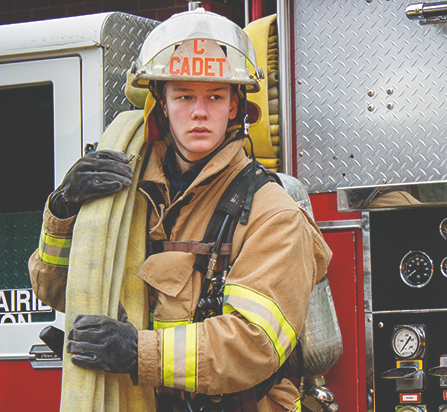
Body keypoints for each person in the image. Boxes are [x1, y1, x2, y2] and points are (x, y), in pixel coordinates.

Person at [28, 6, 331, 412]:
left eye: (215, 96)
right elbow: (56, 291)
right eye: (184, 95)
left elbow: (255, 342)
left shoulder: (271, 211)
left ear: (237, 107)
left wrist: (138, 351)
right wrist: (65, 208)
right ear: (161, 105)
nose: (200, 111)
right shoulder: (125, 195)